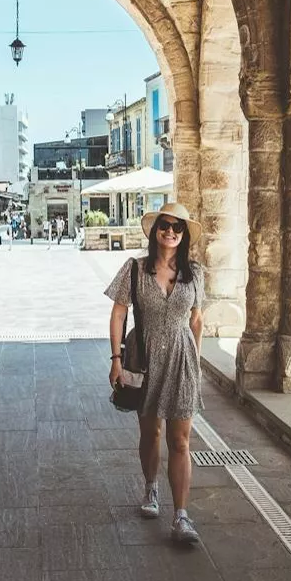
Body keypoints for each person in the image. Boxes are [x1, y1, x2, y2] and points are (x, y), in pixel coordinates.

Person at [105, 203, 206, 545]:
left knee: (180, 440)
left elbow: (196, 320)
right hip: (144, 358)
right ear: (155, 230)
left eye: (178, 227)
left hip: (182, 361)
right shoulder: (135, 269)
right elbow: (118, 314)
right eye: (165, 226)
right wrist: (116, 359)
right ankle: (151, 488)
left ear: (184, 233)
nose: (171, 232)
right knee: (151, 433)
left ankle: (181, 515)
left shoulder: (194, 272)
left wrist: (196, 363)